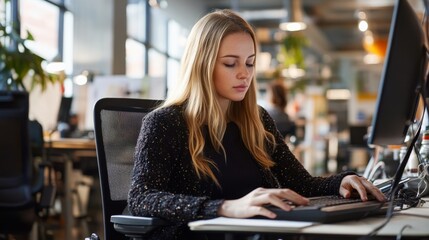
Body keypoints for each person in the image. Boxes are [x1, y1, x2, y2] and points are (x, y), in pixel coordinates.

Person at [128, 9, 386, 239]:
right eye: (231, 63)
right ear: (202, 65)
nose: (245, 73)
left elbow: (300, 184)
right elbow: (141, 198)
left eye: (250, 62)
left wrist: (340, 183)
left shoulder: (256, 119)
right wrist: (224, 207)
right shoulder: (165, 122)